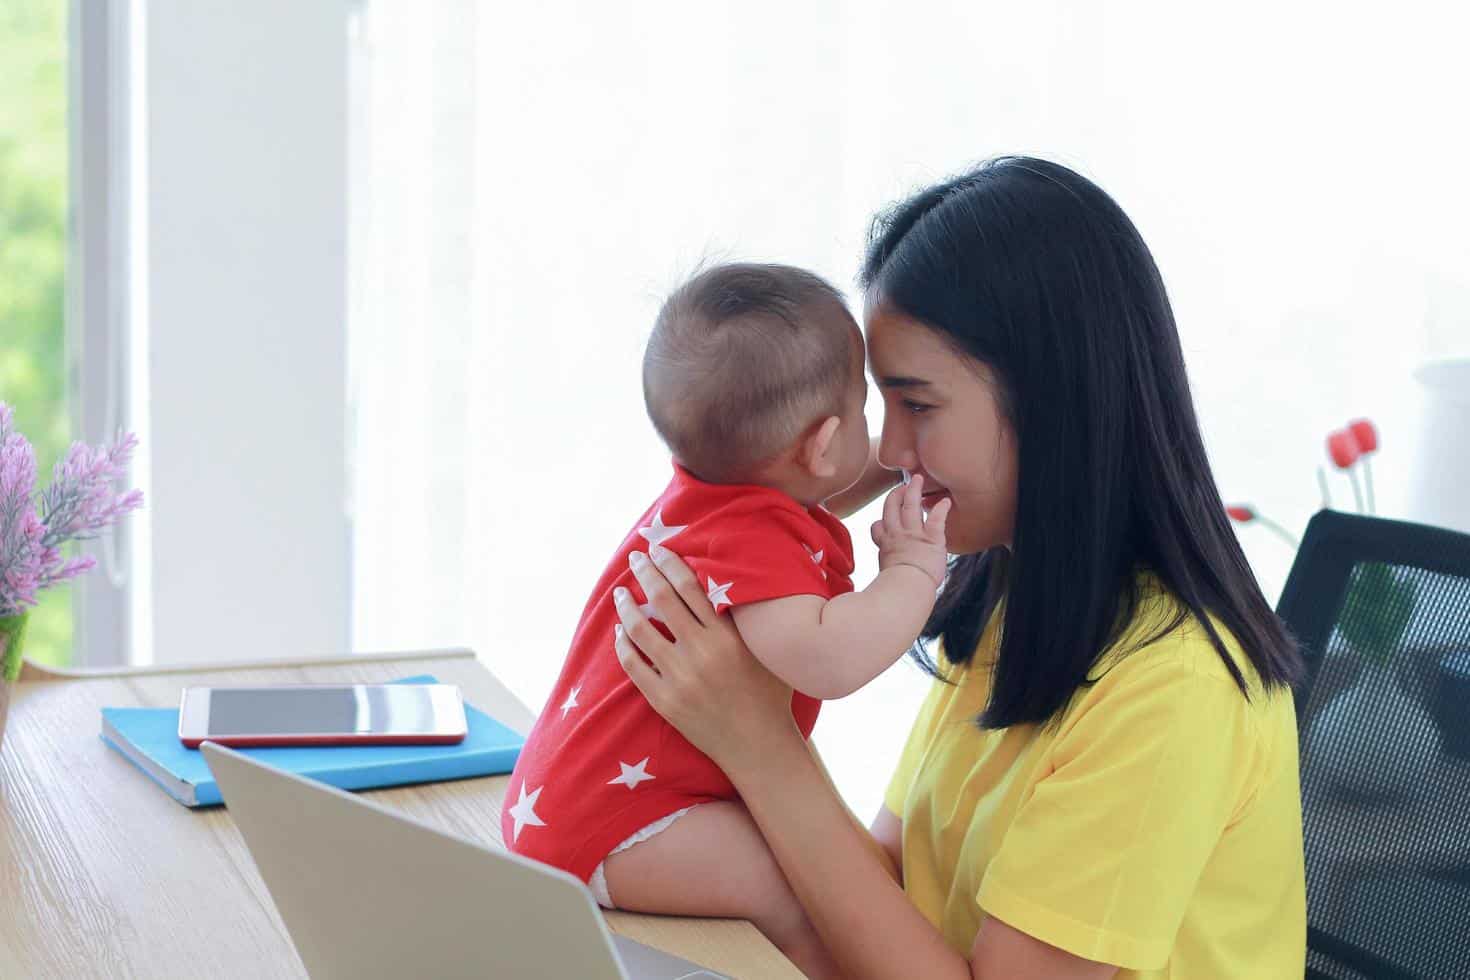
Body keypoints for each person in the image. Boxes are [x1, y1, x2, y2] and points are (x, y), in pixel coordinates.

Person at [613, 156, 1308, 979]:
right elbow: (891, 892)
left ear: (1052, 400)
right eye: (880, 405)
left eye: (918, 405)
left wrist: (759, 743)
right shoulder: (1008, 593)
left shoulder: (1175, 690)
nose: (890, 454)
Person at [504, 262, 949, 979]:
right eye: (872, 411)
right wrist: (911, 571)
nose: (888, 439)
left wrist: (905, 472)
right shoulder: (756, 545)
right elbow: (830, 659)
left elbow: (823, 487)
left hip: (577, 807)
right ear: (824, 443)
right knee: (803, 902)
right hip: (628, 831)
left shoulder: (714, 502)